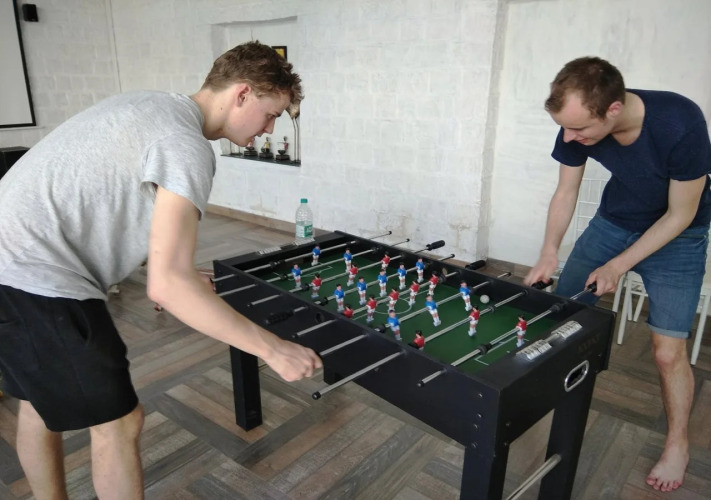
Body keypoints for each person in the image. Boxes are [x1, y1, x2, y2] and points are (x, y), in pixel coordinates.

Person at [0, 41, 322, 500]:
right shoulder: (186, 145)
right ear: (242, 94)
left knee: (38, 403)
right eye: (271, 114)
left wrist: (176, 271)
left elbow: (105, 196)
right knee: (119, 423)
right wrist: (273, 349)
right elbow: (167, 288)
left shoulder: (152, 104)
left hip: (9, 260)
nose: (269, 128)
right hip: (34, 274)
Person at [524, 56, 711, 493]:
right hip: (614, 222)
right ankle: (544, 394)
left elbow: (680, 215)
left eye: (578, 130)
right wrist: (549, 252)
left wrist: (618, 265)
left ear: (613, 109)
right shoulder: (574, 124)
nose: (569, 138)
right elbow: (566, 191)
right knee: (564, 313)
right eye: (565, 128)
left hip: (679, 236)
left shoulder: (680, 123)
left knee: (667, 353)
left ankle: (678, 444)